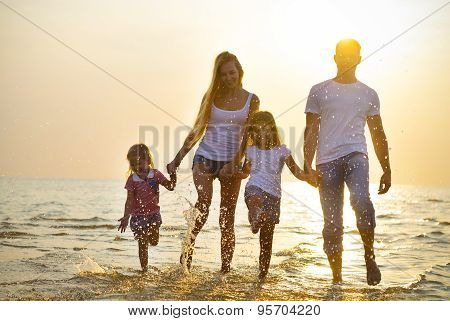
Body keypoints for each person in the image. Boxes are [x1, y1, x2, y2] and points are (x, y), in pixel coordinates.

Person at [303, 39, 391, 285]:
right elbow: (310, 130)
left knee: (361, 199)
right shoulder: (319, 90)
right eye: (342, 54)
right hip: (326, 161)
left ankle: (369, 256)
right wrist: (307, 165)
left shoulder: (368, 94)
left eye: (351, 55)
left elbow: (378, 133)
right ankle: (337, 280)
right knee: (332, 224)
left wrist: (387, 169)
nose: (346, 59)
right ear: (334, 58)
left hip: (356, 155)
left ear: (359, 58)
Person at [166, 52, 260, 273]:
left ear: (239, 72)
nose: (229, 78)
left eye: (232, 73)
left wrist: (242, 162)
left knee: (227, 218)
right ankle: (187, 250)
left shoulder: (252, 99)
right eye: (224, 74)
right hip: (205, 157)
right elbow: (198, 129)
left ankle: (224, 271)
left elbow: (249, 135)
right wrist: (177, 159)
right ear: (218, 76)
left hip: (232, 161)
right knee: (204, 204)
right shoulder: (211, 97)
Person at [236, 111, 318, 279]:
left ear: (272, 129)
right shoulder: (250, 151)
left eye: (265, 128)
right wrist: (237, 173)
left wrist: (309, 178)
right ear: (253, 132)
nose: (262, 132)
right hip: (255, 186)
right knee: (253, 200)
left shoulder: (282, 151)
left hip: (273, 197)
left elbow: (297, 172)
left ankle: (262, 275)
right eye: (257, 129)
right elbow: (245, 172)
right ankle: (255, 216)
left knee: (266, 240)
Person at [118, 144, 177, 272]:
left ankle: (149, 240)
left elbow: (170, 186)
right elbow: (129, 200)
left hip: (154, 214)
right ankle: (144, 270)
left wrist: (173, 174)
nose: (136, 167)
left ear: (148, 161)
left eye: (139, 163)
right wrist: (126, 217)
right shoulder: (132, 180)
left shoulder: (155, 175)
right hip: (138, 217)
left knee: (154, 241)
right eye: (133, 164)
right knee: (142, 244)